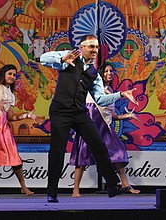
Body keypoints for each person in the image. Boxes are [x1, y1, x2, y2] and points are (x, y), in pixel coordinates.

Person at [40, 34, 139, 203]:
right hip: (60, 111)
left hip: (79, 112)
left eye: (97, 47)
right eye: (91, 46)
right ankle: (52, 192)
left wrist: (120, 94)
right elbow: (43, 58)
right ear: (82, 47)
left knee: (99, 144)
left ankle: (112, 185)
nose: (95, 50)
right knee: (57, 151)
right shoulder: (70, 56)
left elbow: (100, 99)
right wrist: (63, 59)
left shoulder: (94, 73)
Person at [70, 63, 141, 198]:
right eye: (106, 71)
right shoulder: (93, 89)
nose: (109, 73)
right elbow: (90, 108)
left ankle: (125, 184)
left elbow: (112, 116)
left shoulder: (111, 91)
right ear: (101, 74)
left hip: (104, 127)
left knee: (118, 152)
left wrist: (128, 115)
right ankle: (75, 190)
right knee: (82, 157)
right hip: (91, 125)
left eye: (111, 71)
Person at [0, 64, 39, 196]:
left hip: (1, 126)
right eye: (10, 74)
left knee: (13, 155)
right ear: (4, 74)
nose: (12, 77)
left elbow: (11, 117)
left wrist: (27, 115)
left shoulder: (10, 95)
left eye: (14, 75)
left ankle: (24, 187)